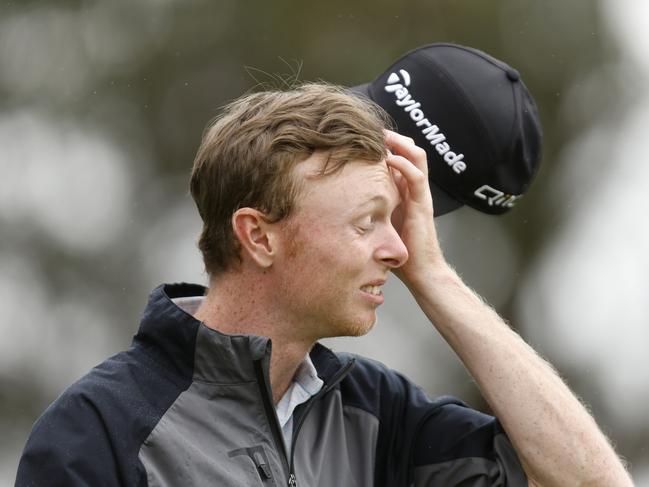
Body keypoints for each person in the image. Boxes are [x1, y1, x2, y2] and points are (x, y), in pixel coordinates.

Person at [16, 59, 632, 487]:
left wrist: (437, 277)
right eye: (368, 222)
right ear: (259, 236)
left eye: (400, 224)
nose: (398, 251)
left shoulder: (377, 413)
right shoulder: (97, 429)